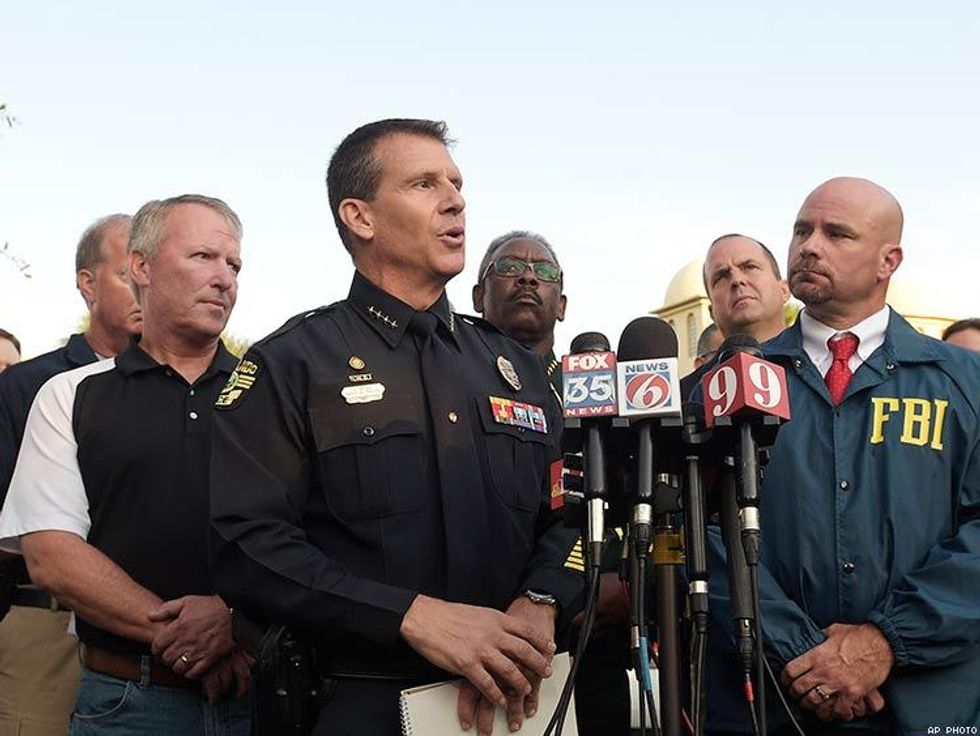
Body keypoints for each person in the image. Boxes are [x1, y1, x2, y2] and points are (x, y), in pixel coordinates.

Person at [208, 119, 582, 736]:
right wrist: (413, 617)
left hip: (520, 701)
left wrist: (542, 601)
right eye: (424, 183)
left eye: (457, 183)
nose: (455, 199)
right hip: (360, 702)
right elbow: (247, 548)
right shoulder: (292, 363)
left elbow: (575, 515)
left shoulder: (514, 366)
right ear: (360, 217)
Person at [706, 177, 980, 734]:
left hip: (928, 705)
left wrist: (885, 643)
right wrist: (801, 652)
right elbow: (697, 530)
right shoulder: (724, 385)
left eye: (837, 234)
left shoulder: (963, 382)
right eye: (802, 230)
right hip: (769, 703)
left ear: (888, 260)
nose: (809, 245)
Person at [0, 194, 252, 735]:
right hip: (124, 704)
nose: (224, 278)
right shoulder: (68, 394)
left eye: (233, 265)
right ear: (142, 266)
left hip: (261, 700)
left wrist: (233, 621)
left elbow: (315, 534)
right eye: (203, 257)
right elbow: (51, 555)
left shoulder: (274, 391)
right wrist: (192, 641)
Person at [473, 231, 628, 735]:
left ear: (561, 305)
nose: (526, 277)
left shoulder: (599, 391)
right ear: (478, 297)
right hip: (486, 634)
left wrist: (614, 582)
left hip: (591, 641)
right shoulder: (454, 384)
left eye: (543, 272)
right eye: (509, 266)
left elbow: (628, 502)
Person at [0, 213, 141, 736]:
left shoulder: (200, 390)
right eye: (129, 270)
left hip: (169, 645)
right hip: (48, 627)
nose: (145, 284)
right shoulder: (29, 387)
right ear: (88, 283)